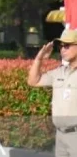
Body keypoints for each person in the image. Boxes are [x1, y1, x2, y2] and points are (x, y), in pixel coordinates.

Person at [28, 28, 77, 156]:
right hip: (60, 135)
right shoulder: (59, 72)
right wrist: (39, 59)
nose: (62, 49)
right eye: (61, 46)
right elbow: (33, 81)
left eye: (67, 45)